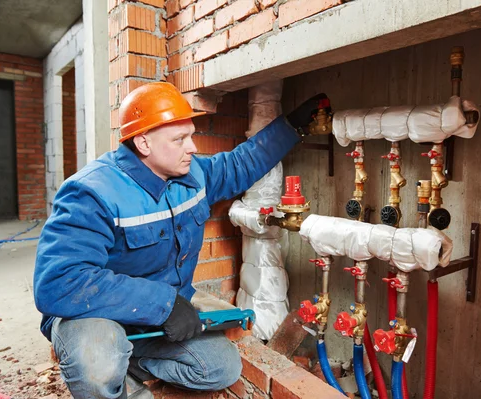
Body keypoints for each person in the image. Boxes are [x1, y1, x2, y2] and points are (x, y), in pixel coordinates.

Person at [33, 81, 328, 399]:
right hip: (97, 315)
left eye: (191, 135)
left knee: (220, 367)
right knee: (96, 365)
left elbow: (240, 164)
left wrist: (293, 125)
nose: (193, 147)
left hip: (153, 321)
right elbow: (59, 282)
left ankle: (126, 363)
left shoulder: (192, 176)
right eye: (180, 139)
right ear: (144, 142)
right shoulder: (92, 193)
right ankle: (105, 374)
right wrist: (163, 305)